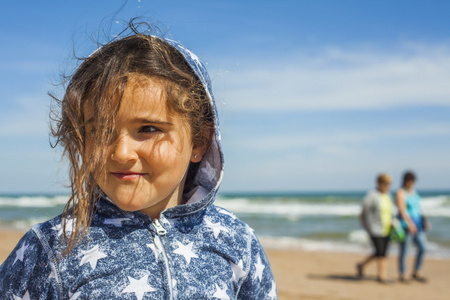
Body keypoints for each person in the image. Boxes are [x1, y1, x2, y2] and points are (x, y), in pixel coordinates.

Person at [0, 21, 277, 299]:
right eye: (100, 130)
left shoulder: (237, 242)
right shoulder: (48, 249)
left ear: (199, 141)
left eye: (148, 129)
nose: (121, 153)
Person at [356, 173, 395, 283]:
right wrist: (364, 223)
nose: (388, 186)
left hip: (387, 228)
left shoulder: (388, 195)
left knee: (382, 252)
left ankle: (362, 265)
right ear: (379, 183)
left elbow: (390, 211)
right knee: (380, 251)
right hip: (374, 228)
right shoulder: (372, 195)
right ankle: (382, 276)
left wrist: (393, 221)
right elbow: (364, 210)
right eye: (386, 183)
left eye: (389, 184)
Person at [396, 171, 429, 283]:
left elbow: (418, 209)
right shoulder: (401, 192)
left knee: (423, 248)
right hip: (406, 225)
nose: (411, 183)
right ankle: (403, 274)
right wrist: (409, 224)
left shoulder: (414, 192)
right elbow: (402, 210)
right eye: (409, 180)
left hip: (418, 224)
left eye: (413, 181)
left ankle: (416, 271)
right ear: (405, 181)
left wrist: (424, 221)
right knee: (405, 250)